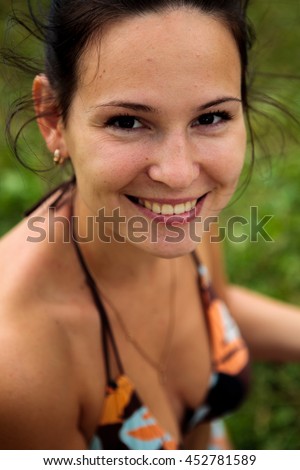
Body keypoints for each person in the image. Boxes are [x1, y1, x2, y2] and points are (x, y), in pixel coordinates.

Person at [0, 0, 300, 450]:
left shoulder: (182, 219)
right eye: (127, 122)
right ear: (52, 118)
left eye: (211, 117)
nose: (179, 175)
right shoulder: (19, 365)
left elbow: (213, 307)